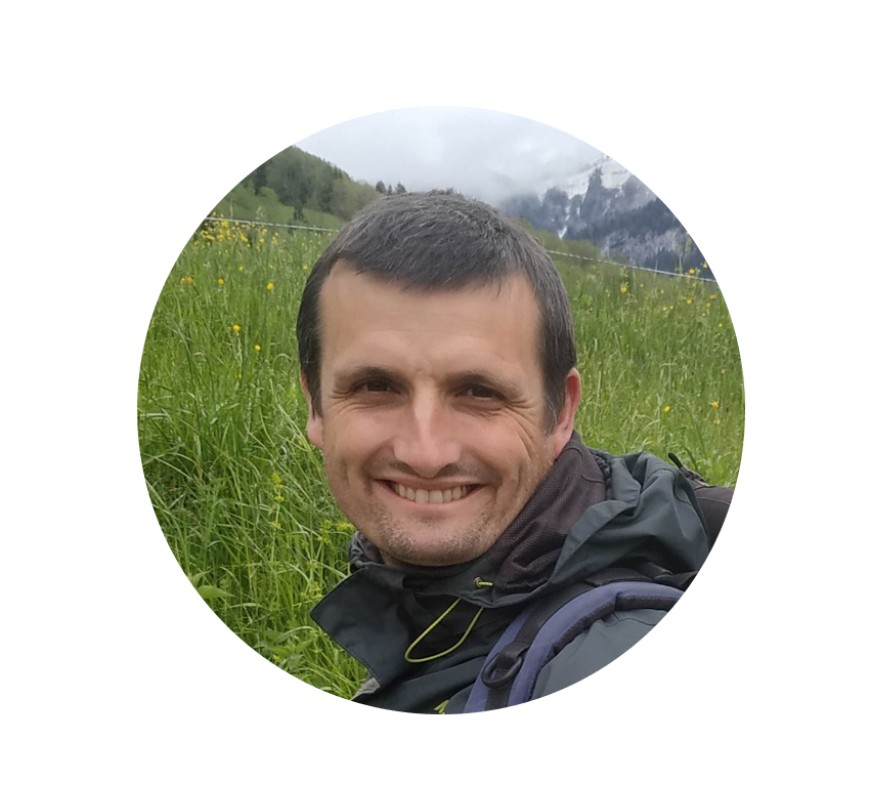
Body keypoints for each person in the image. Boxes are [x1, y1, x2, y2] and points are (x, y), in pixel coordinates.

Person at [295, 190, 732, 713]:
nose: (425, 453)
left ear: (560, 413)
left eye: (479, 392)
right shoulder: (454, 605)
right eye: (375, 386)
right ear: (316, 406)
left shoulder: (607, 656)